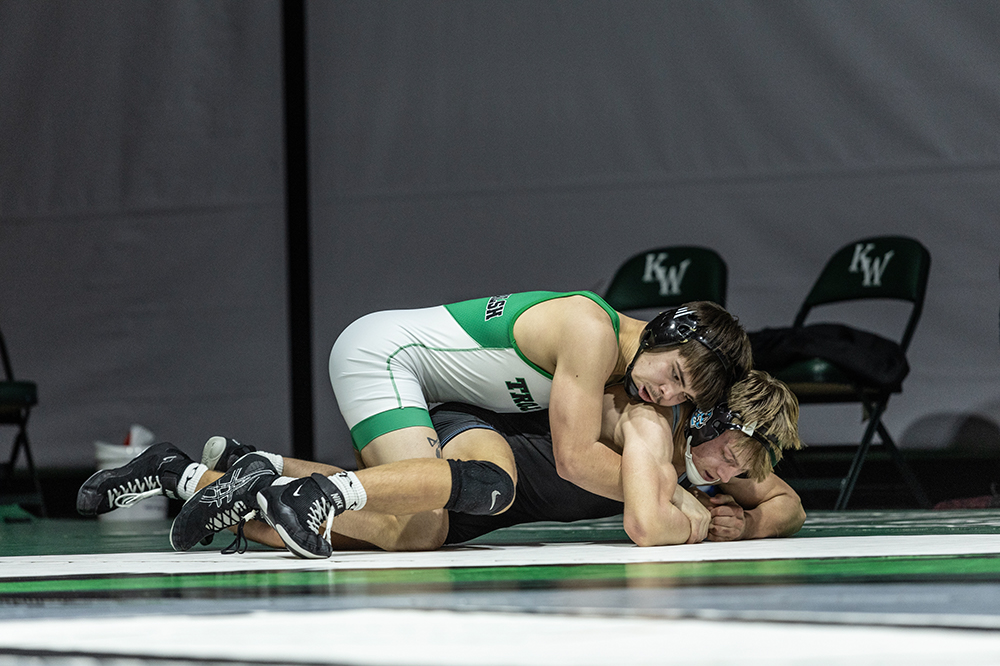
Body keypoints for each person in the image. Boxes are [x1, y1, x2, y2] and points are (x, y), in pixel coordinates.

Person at [79, 293, 752, 550]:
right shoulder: (592, 331)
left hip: (435, 392)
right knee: (439, 514)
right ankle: (281, 489)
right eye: (673, 373)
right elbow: (573, 460)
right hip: (384, 357)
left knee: (418, 518)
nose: (665, 393)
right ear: (666, 330)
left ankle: (196, 475)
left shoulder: (624, 370)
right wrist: (670, 494)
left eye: (682, 393)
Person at [78, 371, 802, 556]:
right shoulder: (655, 428)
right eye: (728, 451)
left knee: (370, 535)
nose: (727, 470)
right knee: (415, 530)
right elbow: (646, 524)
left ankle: (203, 472)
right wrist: (696, 518)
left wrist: (748, 523)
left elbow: (787, 503)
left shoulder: (717, 457)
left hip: (498, 501)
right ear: (710, 418)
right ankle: (218, 477)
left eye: (741, 464)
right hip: (488, 450)